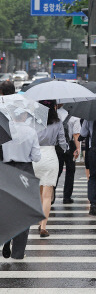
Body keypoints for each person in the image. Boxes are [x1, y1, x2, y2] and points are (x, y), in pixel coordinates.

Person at [1, 111, 41, 259]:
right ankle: (18, 252)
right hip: (25, 171)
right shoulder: (31, 131)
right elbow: (36, 157)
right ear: (24, 116)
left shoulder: (4, 129)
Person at [33, 100, 69, 238]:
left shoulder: (34, 121)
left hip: (36, 157)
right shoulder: (58, 122)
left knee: (39, 192)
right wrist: (68, 149)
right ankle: (43, 226)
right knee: (47, 194)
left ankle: (38, 220)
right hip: (50, 156)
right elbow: (62, 142)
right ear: (54, 107)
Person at [54, 105, 81, 204]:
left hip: (57, 146)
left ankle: (51, 196)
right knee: (70, 171)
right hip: (71, 146)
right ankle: (67, 197)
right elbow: (76, 134)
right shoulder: (75, 116)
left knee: (57, 171)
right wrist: (78, 148)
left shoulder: (54, 114)